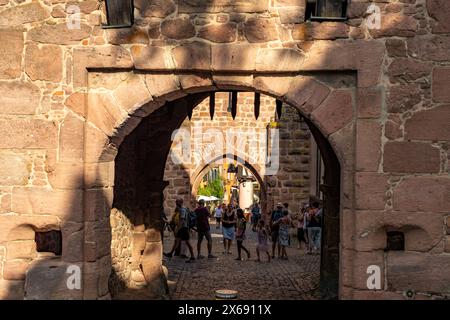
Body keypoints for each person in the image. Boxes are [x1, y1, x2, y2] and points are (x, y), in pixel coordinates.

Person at [163, 198, 195, 262]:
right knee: (177, 241)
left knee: (187, 242)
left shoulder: (182, 210)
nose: (176, 204)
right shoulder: (181, 209)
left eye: (177, 202)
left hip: (183, 228)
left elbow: (182, 220)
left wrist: (178, 229)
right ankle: (171, 253)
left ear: (179, 203)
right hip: (183, 228)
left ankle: (192, 256)